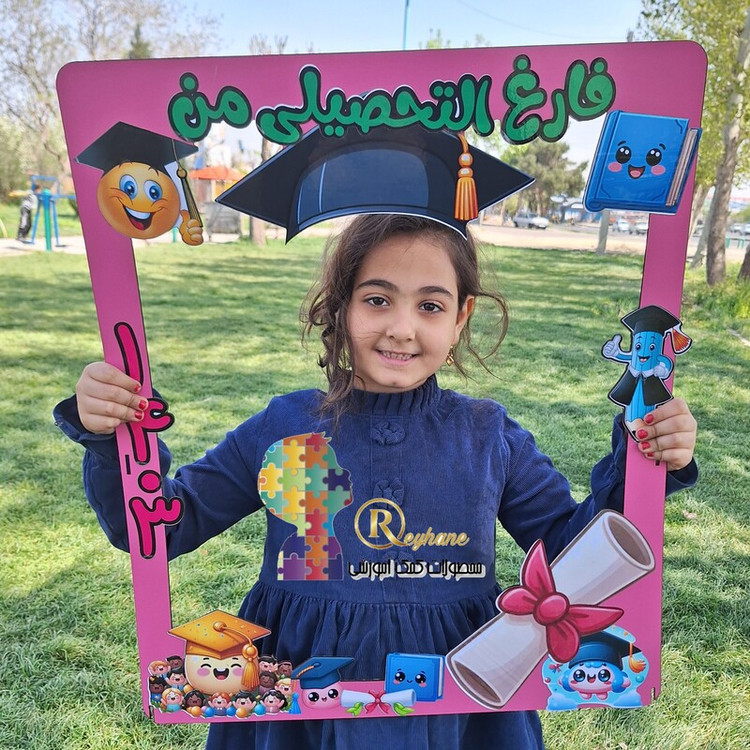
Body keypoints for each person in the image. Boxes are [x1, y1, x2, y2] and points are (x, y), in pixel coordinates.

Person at [54, 212, 697, 750]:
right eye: (378, 299)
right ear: (342, 306)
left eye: (430, 305)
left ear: (462, 316)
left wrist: (642, 466)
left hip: (460, 689)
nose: (401, 328)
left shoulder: (487, 434)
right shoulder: (285, 427)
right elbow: (163, 526)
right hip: (302, 689)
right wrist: (115, 438)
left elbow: (574, 553)